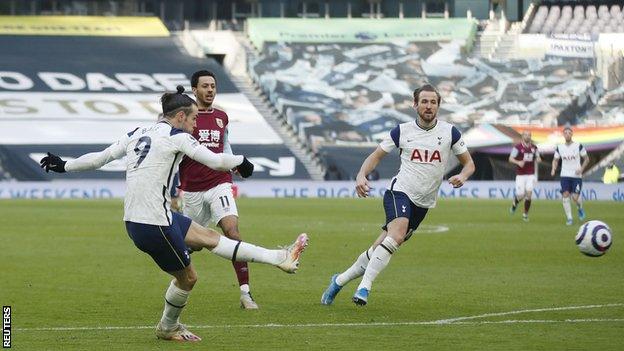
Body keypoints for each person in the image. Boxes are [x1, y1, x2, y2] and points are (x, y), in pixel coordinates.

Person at [40, 86, 308, 342]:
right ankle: (167, 328)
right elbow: (215, 160)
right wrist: (241, 161)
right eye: (192, 119)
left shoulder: (137, 132)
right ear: (180, 116)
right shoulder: (177, 136)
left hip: (143, 218)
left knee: (209, 237)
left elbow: (101, 158)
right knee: (188, 278)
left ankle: (280, 257)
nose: (195, 125)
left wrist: (64, 165)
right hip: (153, 223)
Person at [320, 84, 475, 306]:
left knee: (380, 247)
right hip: (399, 192)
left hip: (424, 203)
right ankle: (365, 287)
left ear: (439, 106)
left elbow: (469, 164)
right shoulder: (402, 131)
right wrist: (361, 175)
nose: (428, 106)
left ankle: (338, 280)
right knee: (398, 233)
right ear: (415, 105)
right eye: (424, 101)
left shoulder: (450, 132)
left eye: (433, 102)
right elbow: (376, 156)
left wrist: (464, 176)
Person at [178, 70, 259, 309]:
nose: (210, 90)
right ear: (194, 90)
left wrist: (236, 165)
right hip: (192, 190)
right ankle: (180, 285)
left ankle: (246, 293)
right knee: (189, 245)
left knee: (232, 232)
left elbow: (225, 146)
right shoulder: (184, 117)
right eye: (205, 86)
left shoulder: (222, 116)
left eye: (213, 86)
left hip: (219, 184)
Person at [550, 126, 590, 225]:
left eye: (569, 133)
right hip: (565, 175)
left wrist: (581, 169)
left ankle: (580, 208)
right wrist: (553, 168)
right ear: (563, 135)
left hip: (576, 176)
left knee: (575, 198)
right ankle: (569, 218)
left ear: (572, 134)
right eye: (565, 133)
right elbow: (555, 160)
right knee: (565, 195)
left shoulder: (578, 145)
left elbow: (587, 159)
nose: (567, 134)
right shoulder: (560, 147)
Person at [508, 130, 541, 222]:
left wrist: (538, 159)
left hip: (530, 174)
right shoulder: (517, 148)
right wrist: (518, 162)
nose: (527, 136)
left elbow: (538, 157)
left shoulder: (534, 147)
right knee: (520, 195)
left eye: (529, 135)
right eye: (526, 135)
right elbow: (510, 159)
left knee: (529, 194)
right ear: (522, 136)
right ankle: (515, 202)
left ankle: (525, 214)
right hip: (520, 175)